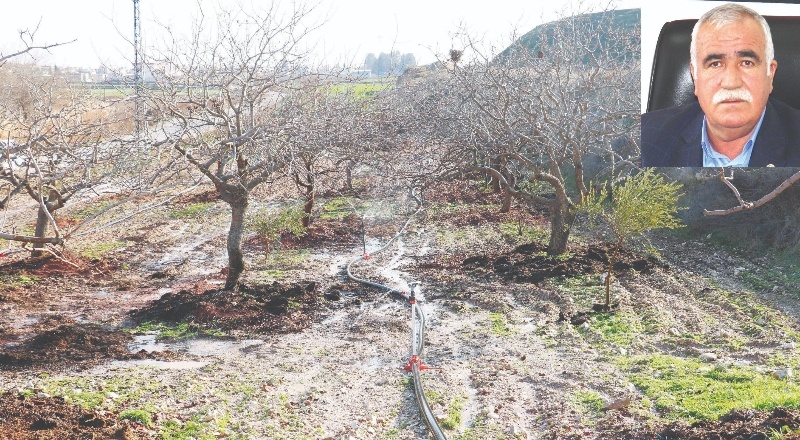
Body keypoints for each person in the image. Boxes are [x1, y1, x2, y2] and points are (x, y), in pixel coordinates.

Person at [641, 3, 800, 167]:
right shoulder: (644, 139)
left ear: (770, 74)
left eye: (746, 63)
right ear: (695, 76)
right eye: (715, 64)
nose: (731, 82)